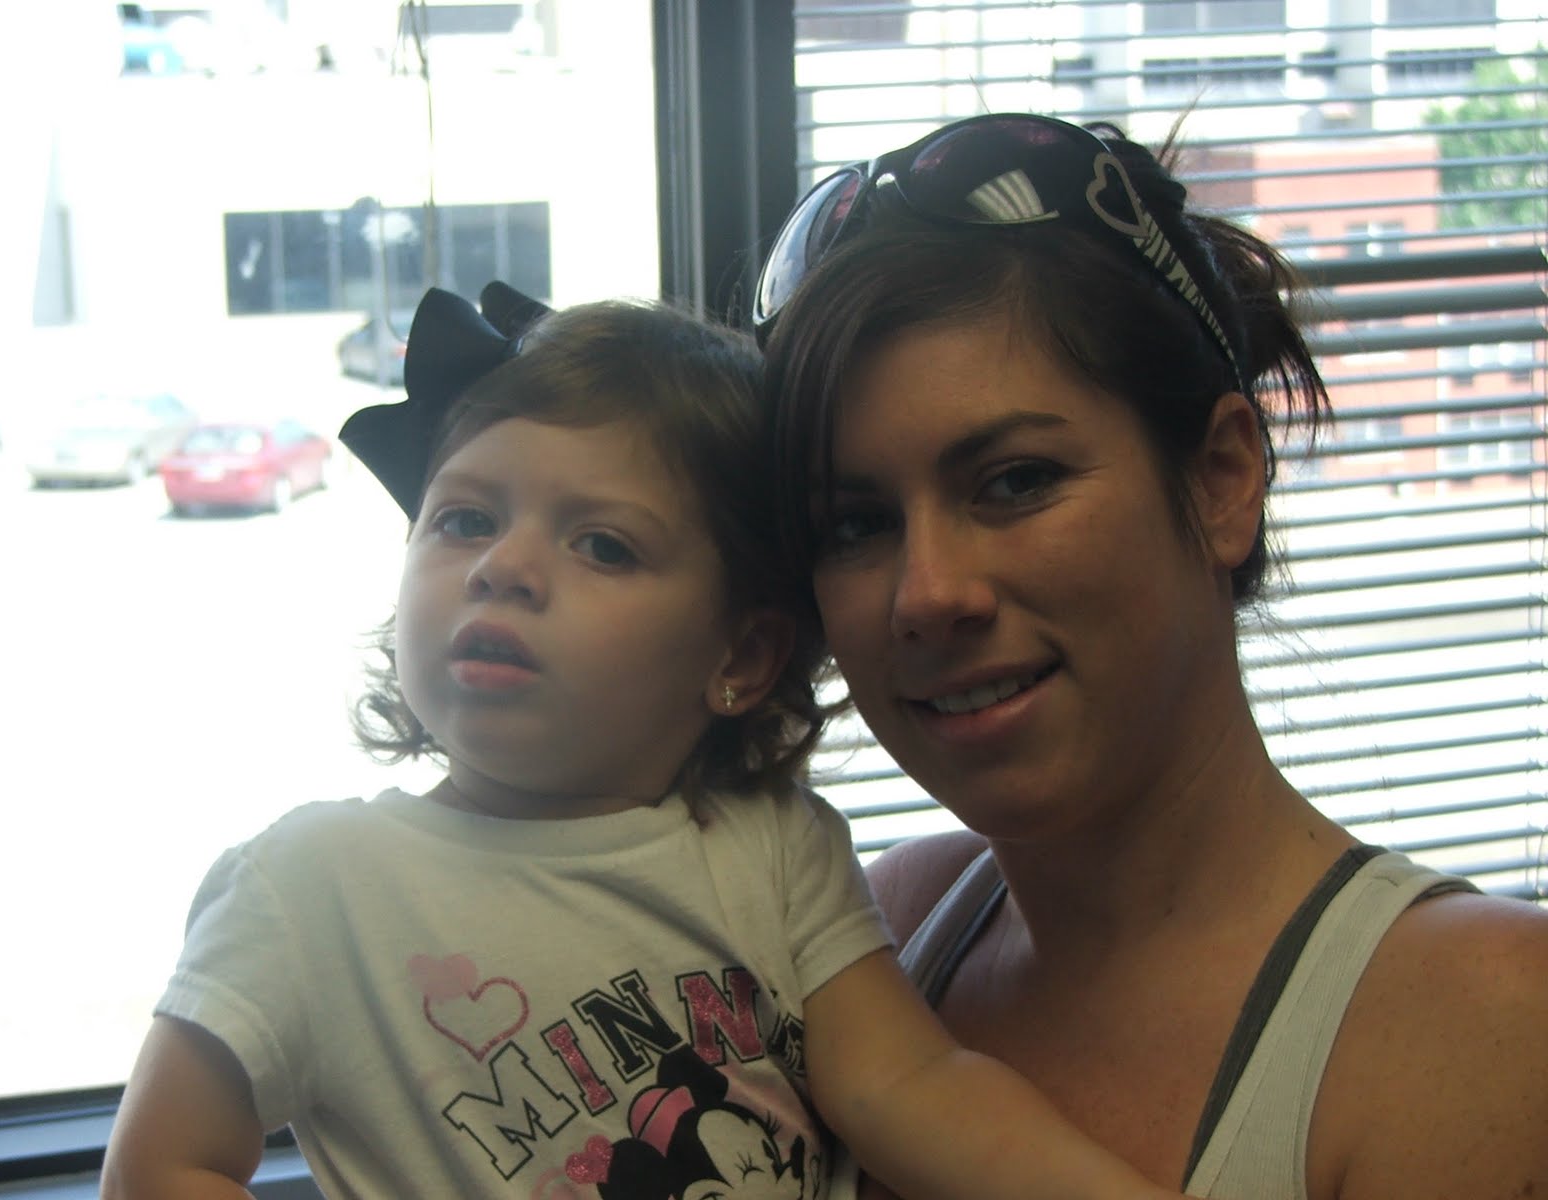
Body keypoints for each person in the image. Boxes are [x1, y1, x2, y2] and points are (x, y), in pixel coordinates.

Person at [101, 282, 1195, 1200]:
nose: (503, 567)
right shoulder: (307, 888)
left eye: (603, 545)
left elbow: (911, 1089)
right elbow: (161, 1167)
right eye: (464, 519)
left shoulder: (768, 847)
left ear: (741, 657)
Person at [754, 112, 1548, 1200]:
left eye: (1016, 480)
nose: (927, 595)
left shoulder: (1485, 1024)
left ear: (1222, 480)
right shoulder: (888, 930)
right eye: (855, 524)